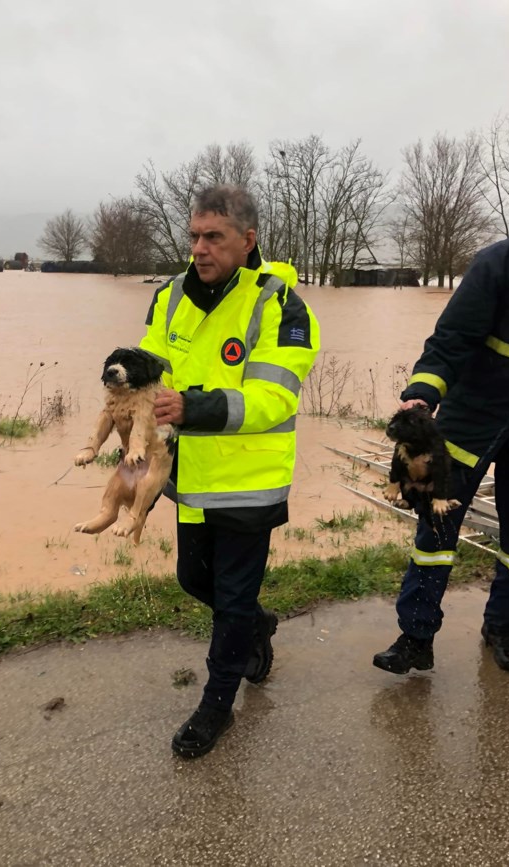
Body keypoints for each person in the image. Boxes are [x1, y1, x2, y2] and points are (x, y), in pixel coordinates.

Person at [139, 184, 319, 757]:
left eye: (213, 237)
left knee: (232, 596)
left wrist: (195, 407)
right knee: (195, 581)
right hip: (189, 477)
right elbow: (150, 369)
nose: (199, 248)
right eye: (193, 236)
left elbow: (273, 397)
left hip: (248, 481)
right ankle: (258, 625)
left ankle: (216, 707)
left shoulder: (280, 303)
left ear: (248, 239)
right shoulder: (168, 296)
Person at [374, 227, 509, 676]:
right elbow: (451, 341)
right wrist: (422, 395)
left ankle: (502, 628)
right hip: (474, 413)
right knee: (437, 526)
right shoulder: (502, 262)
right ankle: (415, 638)